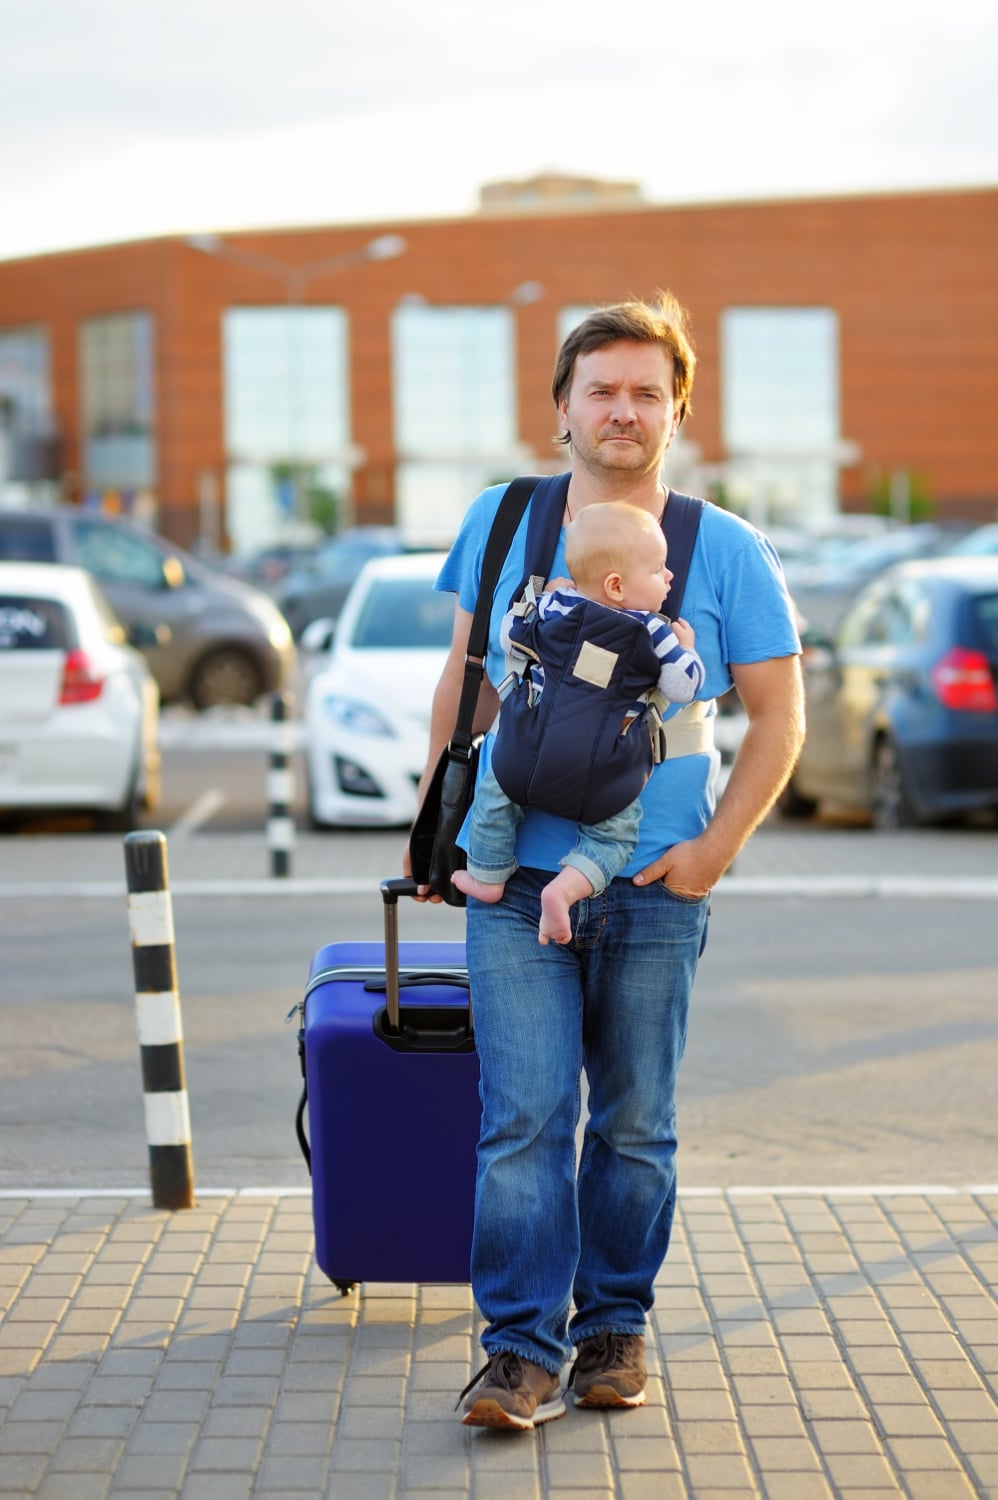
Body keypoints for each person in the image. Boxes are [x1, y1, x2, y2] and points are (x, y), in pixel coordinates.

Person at [406, 291, 804, 1433]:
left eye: (645, 392)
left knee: (633, 1123)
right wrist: (435, 812)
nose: (621, 411)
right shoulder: (502, 522)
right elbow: (469, 678)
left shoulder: (723, 550)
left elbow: (779, 718)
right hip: (511, 880)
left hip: (651, 883)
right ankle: (517, 1354)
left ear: (676, 411)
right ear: (560, 409)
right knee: (520, 1118)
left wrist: (713, 852)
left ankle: (612, 1331)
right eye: (601, 390)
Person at [452, 501, 705, 945]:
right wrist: (688, 648)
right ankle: (565, 889)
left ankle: (488, 876)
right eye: (658, 570)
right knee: (612, 839)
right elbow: (685, 688)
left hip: (528, 754)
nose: (669, 577)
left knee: (494, 798)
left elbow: (510, 634)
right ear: (617, 585)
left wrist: (543, 597)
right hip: (607, 771)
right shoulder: (654, 631)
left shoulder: (557, 605)